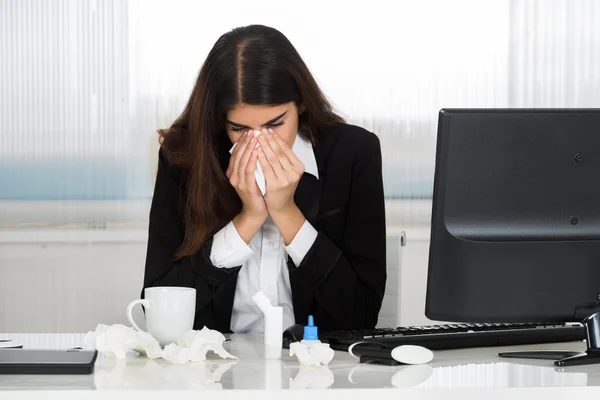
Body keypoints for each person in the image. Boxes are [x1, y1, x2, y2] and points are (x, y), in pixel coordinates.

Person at [142, 24, 386, 334]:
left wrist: (286, 213)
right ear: (219, 120)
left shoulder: (352, 153)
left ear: (301, 104)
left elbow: (361, 315)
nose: (258, 141)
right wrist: (248, 219)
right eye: (240, 129)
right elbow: (158, 310)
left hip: (317, 368)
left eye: (275, 124)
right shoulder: (185, 158)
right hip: (216, 369)